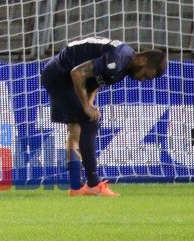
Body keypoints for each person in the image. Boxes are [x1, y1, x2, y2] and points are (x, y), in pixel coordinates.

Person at [41, 38, 166, 196]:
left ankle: (76, 187)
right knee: (89, 124)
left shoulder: (123, 64)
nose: (143, 80)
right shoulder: (117, 61)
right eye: (146, 75)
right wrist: (86, 107)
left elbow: (94, 82)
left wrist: (88, 104)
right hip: (60, 75)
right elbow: (78, 73)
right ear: (142, 59)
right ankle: (93, 183)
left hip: (62, 74)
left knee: (76, 128)